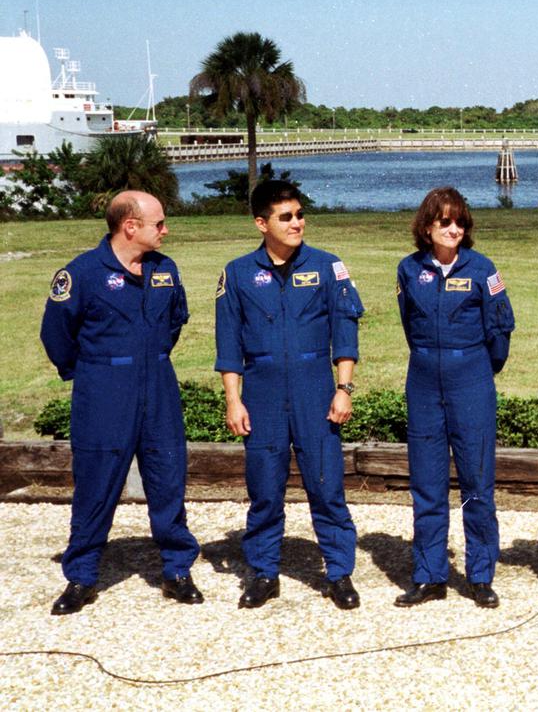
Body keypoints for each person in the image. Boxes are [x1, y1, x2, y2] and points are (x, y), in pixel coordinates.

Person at [39, 191, 202, 615]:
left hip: (158, 386)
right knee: (96, 483)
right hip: (104, 390)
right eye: (159, 224)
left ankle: (177, 570)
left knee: (167, 476)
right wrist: (93, 372)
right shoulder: (83, 273)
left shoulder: (165, 270)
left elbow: (175, 320)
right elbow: (56, 335)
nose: (166, 230)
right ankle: (82, 576)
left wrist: (151, 357)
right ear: (130, 226)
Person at [214, 180, 365, 610]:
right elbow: (228, 345)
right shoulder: (238, 274)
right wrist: (233, 399)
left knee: (326, 485)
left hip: (315, 390)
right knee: (264, 487)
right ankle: (264, 572)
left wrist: (343, 389)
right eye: (286, 217)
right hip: (261, 392)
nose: (297, 223)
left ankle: (338, 573)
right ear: (261, 223)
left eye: (299, 214)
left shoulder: (327, 266)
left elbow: (345, 333)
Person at [393, 187, 515, 609]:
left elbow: (500, 332)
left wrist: (476, 370)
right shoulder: (409, 271)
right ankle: (429, 575)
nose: (453, 229)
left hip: (471, 382)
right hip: (425, 381)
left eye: (460, 222)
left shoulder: (483, 270)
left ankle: (480, 576)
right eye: (445, 221)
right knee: (426, 485)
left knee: (477, 484)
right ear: (427, 226)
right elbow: (410, 325)